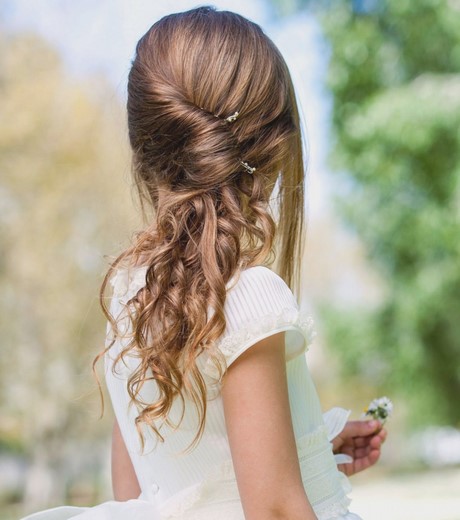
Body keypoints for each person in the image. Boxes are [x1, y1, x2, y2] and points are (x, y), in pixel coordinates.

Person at [21, 6, 387, 520]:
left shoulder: (132, 304)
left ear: (143, 146)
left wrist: (311, 451)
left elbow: (146, 495)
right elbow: (277, 510)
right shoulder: (250, 295)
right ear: (276, 145)